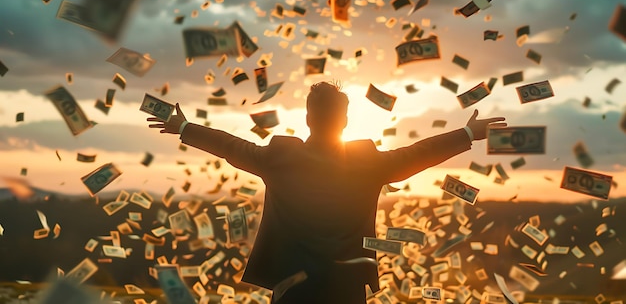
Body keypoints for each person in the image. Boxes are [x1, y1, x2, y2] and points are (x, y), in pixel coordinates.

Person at [147, 81, 506, 304]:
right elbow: (417, 155)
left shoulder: (280, 157)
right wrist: (467, 134)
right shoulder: (368, 161)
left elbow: (232, 147)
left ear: (307, 118)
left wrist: (185, 127)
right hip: (346, 287)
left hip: (291, 286)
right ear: (345, 121)